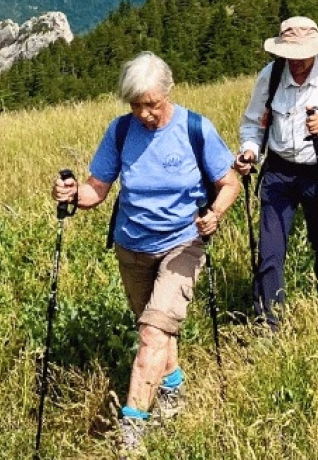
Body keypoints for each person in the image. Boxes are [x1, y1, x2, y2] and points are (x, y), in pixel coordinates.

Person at [51, 52, 239, 454]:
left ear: (168, 92)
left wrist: (215, 214)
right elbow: (96, 190)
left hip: (183, 243)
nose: (144, 114)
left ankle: (132, 430)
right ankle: (173, 387)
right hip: (132, 246)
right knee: (153, 327)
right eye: (135, 105)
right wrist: (71, 194)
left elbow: (229, 182)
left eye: (151, 104)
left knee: (153, 332)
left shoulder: (195, 128)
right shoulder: (121, 131)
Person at [233, 17, 318, 322]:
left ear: (316, 50)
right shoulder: (271, 75)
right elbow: (253, 124)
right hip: (279, 170)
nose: (297, 62)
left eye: (303, 55)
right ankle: (269, 321)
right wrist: (249, 152)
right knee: (270, 249)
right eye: (290, 55)